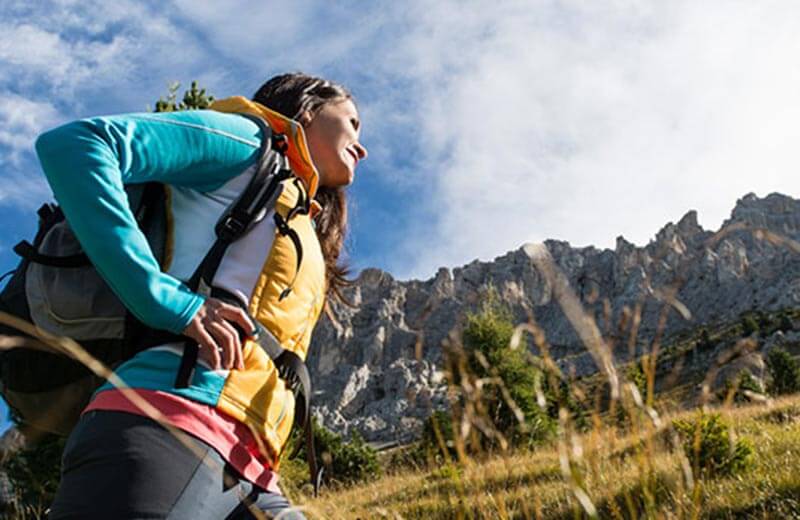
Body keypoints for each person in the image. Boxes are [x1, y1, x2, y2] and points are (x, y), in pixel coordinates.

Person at [39, 72, 367, 519]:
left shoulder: (296, 207)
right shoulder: (248, 140)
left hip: (250, 466)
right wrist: (165, 299)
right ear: (309, 110)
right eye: (352, 121)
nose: (361, 146)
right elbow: (76, 145)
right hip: (166, 422)